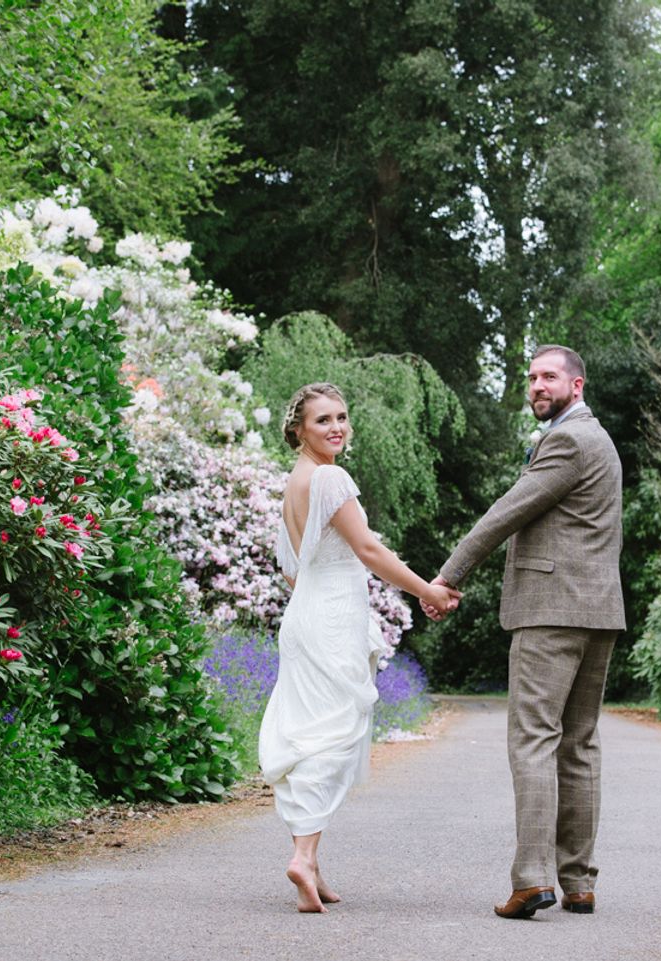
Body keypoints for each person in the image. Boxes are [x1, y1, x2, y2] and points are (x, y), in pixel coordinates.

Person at [423, 345, 625, 920]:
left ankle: (533, 879)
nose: (537, 386)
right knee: (579, 745)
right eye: (532, 377)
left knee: (534, 739)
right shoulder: (600, 441)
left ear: (577, 385)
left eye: (550, 377)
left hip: (552, 611)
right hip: (598, 610)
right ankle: (579, 884)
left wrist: (447, 576)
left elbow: (506, 512)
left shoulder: (567, 440)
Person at [259, 382, 460, 913]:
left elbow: (290, 568)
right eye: (322, 420)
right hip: (330, 619)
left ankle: (312, 863)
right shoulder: (329, 476)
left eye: (342, 417)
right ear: (299, 429)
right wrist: (428, 590)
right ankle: (303, 856)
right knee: (334, 733)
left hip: (304, 615)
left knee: (309, 729)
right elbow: (368, 548)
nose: (336, 427)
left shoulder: (295, 482)